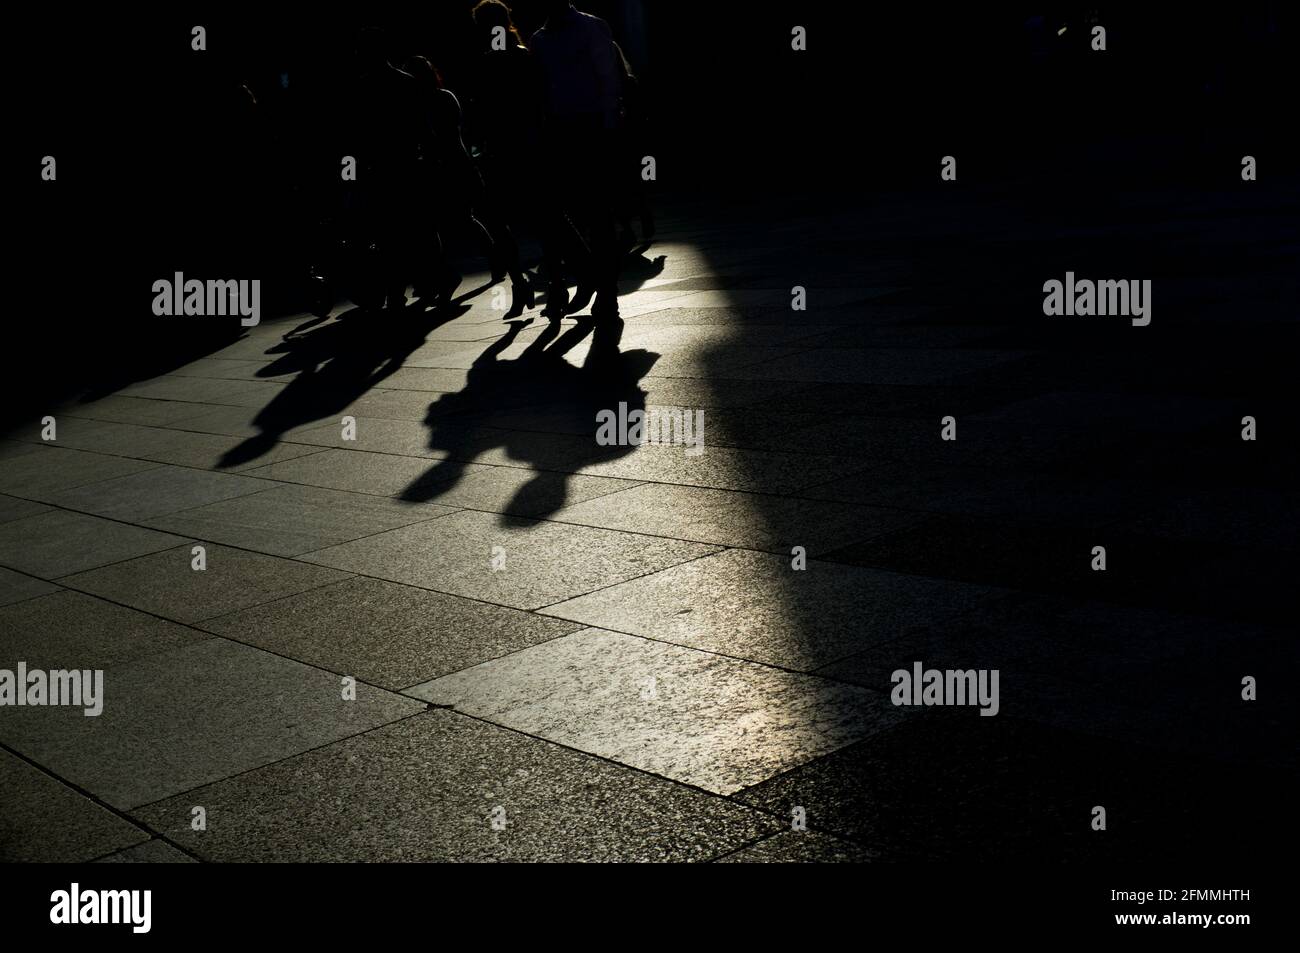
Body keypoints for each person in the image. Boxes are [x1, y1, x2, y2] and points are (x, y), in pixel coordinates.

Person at [529, 1, 625, 322]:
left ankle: (607, 294)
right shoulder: (539, 39)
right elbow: (542, 91)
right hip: (559, 131)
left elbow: (608, 78)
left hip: (591, 126)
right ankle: (590, 276)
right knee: (557, 212)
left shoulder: (591, 26)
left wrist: (609, 127)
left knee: (597, 215)